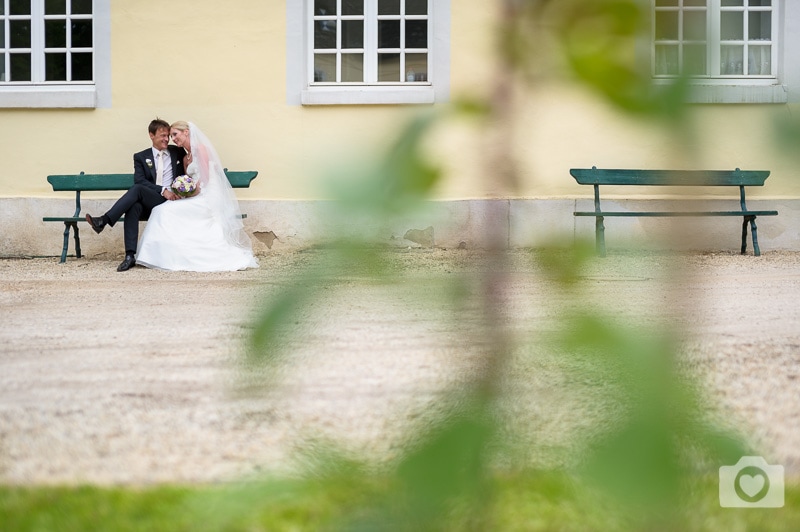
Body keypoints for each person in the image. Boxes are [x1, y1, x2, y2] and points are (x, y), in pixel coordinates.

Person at [134, 121, 259, 272]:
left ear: (186, 132)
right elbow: (189, 181)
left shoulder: (201, 149)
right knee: (162, 209)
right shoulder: (186, 158)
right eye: (171, 136)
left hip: (208, 196)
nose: (173, 139)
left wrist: (190, 192)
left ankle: (170, 255)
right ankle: (161, 255)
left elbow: (205, 180)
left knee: (164, 211)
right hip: (195, 195)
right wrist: (182, 191)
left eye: (175, 134)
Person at [85, 118, 187, 272]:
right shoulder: (140, 157)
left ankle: (104, 221)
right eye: (162, 136)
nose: (167, 139)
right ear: (151, 135)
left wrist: (177, 191)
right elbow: (139, 179)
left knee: (136, 194)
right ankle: (130, 256)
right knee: (134, 204)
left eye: (168, 136)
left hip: (171, 201)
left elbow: (191, 155)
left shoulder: (177, 152)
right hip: (154, 199)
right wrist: (161, 190)